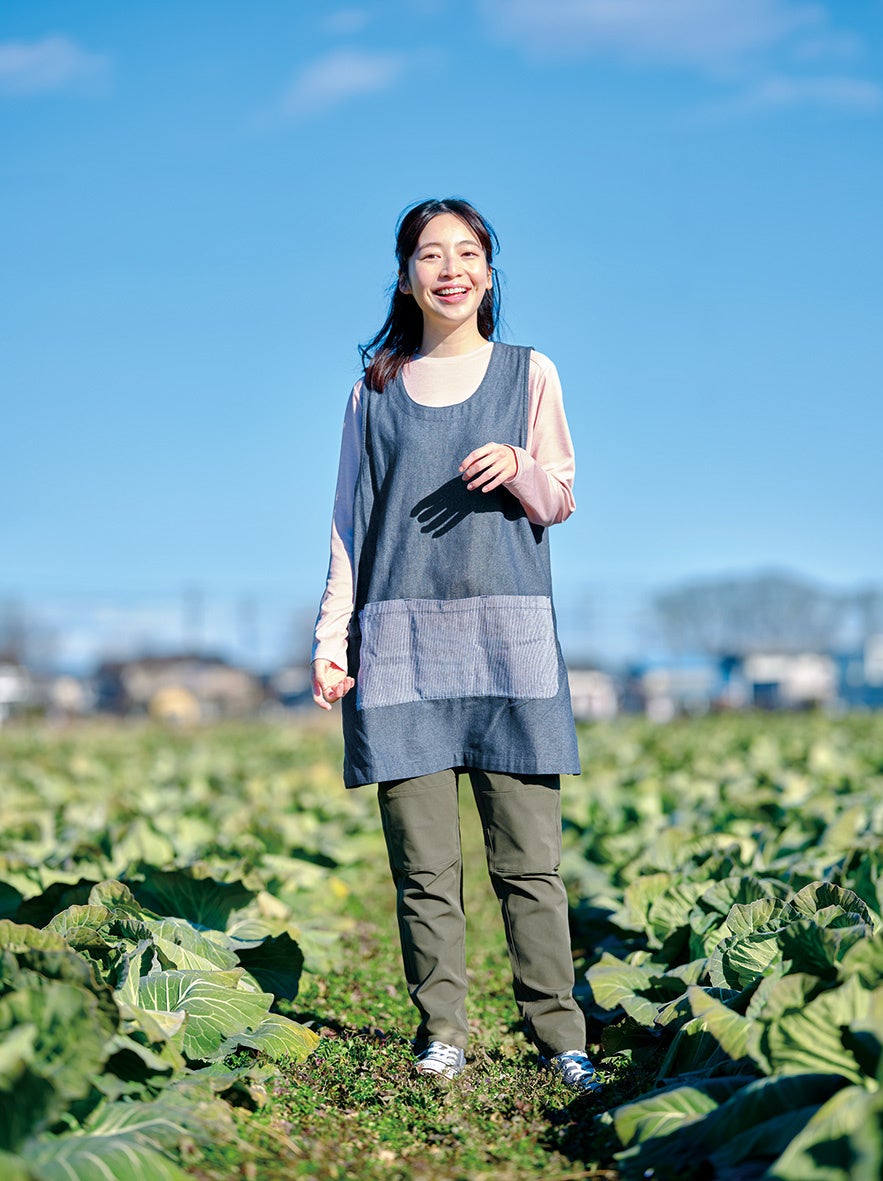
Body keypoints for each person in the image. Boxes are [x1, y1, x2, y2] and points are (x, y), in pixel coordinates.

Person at [311, 197, 598, 1092]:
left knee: (529, 864)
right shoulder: (374, 390)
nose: (449, 269)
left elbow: (563, 497)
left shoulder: (530, 373)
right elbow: (347, 524)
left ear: (487, 270)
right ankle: (443, 1031)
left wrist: (518, 468)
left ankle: (561, 1039)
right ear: (406, 276)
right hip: (398, 649)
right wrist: (332, 633)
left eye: (466, 253)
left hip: (510, 648)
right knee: (424, 870)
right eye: (430, 255)